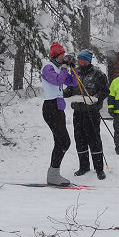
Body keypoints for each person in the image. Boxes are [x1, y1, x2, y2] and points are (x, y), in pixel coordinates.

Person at [64, 49, 110, 180]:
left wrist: (95, 99)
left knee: (94, 140)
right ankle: (83, 166)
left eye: (82, 59)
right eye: (78, 59)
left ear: (87, 60)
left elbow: (105, 91)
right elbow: (69, 89)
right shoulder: (75, 72)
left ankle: (99, 169)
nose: (79, 61)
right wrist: (63, 93)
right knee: (80, 139)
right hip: (78, 111)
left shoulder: (98, 74)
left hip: (92, 112)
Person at [41, 42, 78, 186]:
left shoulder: (59, 68)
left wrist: (72, 68)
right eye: (62, 56)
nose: (64, 59)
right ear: (55, 56)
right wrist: (64, 68)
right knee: (64, 141)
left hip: (58, 108)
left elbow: (73, 82)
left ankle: (53, 174)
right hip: (50, 108)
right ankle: (53, 174)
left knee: (60, 141)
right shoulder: (47, 67)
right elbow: (57, 81)